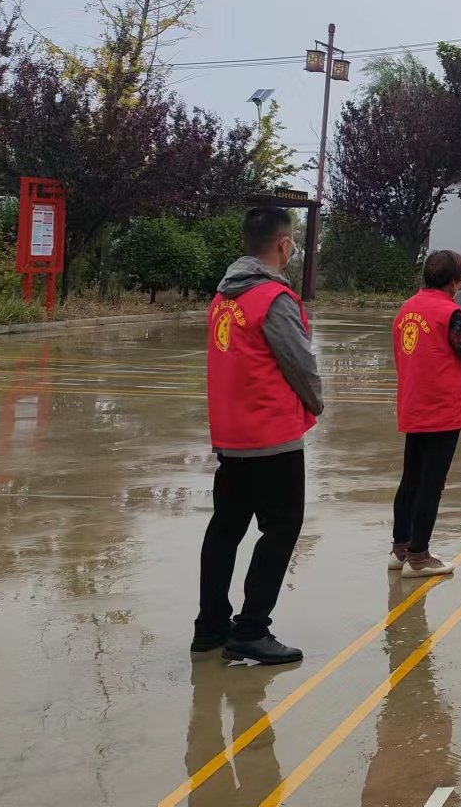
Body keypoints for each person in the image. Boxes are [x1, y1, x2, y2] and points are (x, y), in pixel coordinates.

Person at [192, 207, 324, 666]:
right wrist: (316, 402)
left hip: (231, 434)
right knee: (281, 528)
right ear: (284, 245)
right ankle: (251, 630)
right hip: (271, 435)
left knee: (225, 529)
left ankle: (210, 627)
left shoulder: (224, 297)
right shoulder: (273, 298)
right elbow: (300, 363)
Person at [389, 250, 461, 577]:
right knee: (431, 484)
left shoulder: (408, 307)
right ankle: (419, 556)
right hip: (442, 408)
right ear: (454, 282)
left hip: (414, 403)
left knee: (411, 479)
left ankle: (400, 549)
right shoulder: (450, 313)